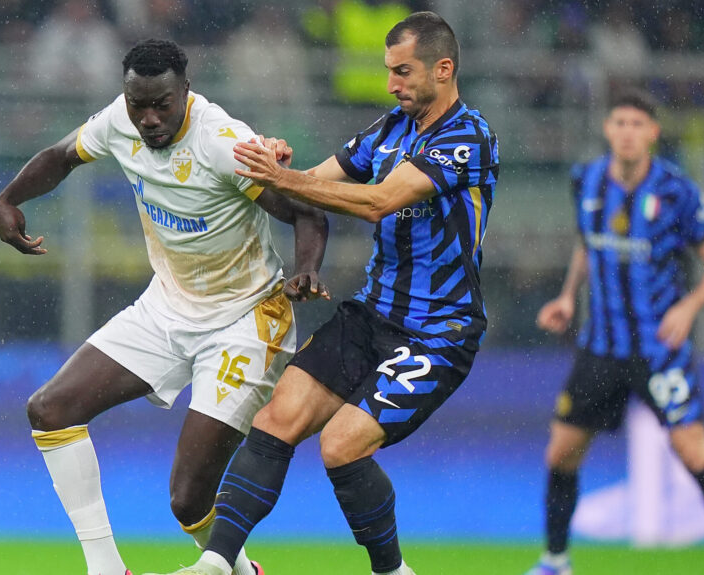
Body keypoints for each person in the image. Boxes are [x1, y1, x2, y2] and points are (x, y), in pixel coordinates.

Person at [148, 12, 498, 575]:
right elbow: (315, 179)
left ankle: (392, 570)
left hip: (439, 332)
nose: (392, 84)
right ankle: (216, 564)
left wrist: (286, 179)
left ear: (444, 68)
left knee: (341, 445)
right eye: (388, 72)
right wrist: (278, 162)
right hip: (370, 316)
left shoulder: (468, 138)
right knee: (276, 419)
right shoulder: (389, 129)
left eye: (403, 72)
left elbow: (380, 200)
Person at [0, 39, 330, 575]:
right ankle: (107, 568)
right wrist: (7, 199)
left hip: (245, 319)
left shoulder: (223, 142)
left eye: (161, 105)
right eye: (137, 105)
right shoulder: (118, 122)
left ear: (186, 93)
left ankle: (237, 567)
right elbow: (59, 157)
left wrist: (308, 268)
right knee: (50, 410)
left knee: (188, 501)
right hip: (166, 308)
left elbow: (306, 211)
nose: (148, 119)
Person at [525, 89, 704, 575]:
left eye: (638, 123)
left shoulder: (677, 191)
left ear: (654, 133)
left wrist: (690, 306)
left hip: (660, 350)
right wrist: (569, 296)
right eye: (620, 122)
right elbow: (585, 243)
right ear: (608, 129)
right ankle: (555, 560)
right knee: (562, 451)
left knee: (694, 451)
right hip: (600, 348)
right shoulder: (586, 179)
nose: (628, 132)